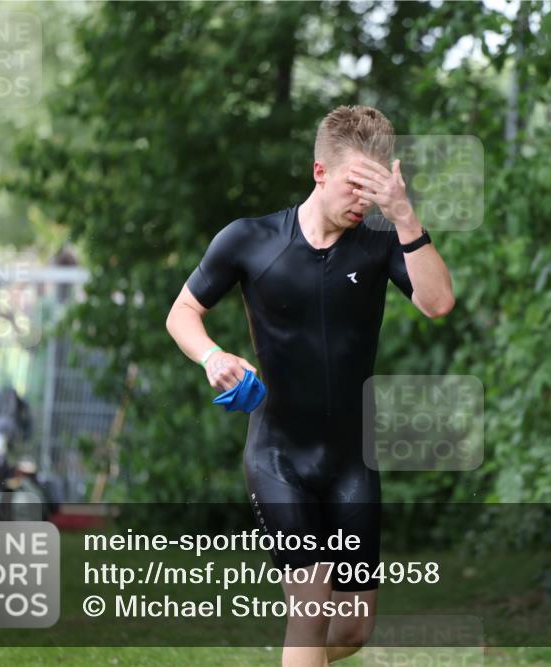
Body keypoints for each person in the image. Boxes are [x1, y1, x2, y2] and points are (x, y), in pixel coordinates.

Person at [166, 105, 454, 666]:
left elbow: (438, 302)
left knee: (351, 629)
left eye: (374, 188)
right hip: (279, 454)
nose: (364, 201)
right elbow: (183, 311)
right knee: (311, 604)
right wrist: (212, 356)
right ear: (320, 172)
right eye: (355, 185)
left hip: (351, 462)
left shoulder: (381, 240)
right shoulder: (249, 239)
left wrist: (403, 216)